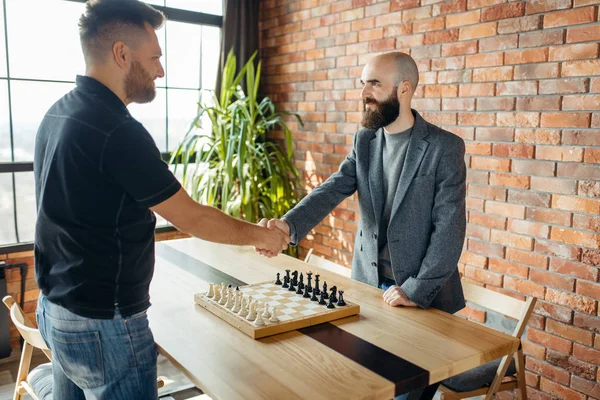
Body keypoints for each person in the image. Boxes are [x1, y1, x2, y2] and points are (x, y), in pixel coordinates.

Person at [33, 1, 288, 398]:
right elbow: (192, 217)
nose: (160, 70)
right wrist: (264, 235)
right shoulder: (117, 131)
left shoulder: (58, 113)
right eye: (154, 57)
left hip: (56, 309)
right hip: (105, 324)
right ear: (121, 53)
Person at [259, 51, 467, 400]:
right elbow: (333, 188)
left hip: (421, 297)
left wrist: (414, 291)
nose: (364, 93)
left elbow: (449, 229)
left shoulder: (444, 147)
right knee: (363, 387)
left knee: (403, 394)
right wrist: (287, 226)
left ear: (404, 89)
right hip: (368, 288)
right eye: (362, 83)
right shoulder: (365, 141)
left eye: (374, 83)